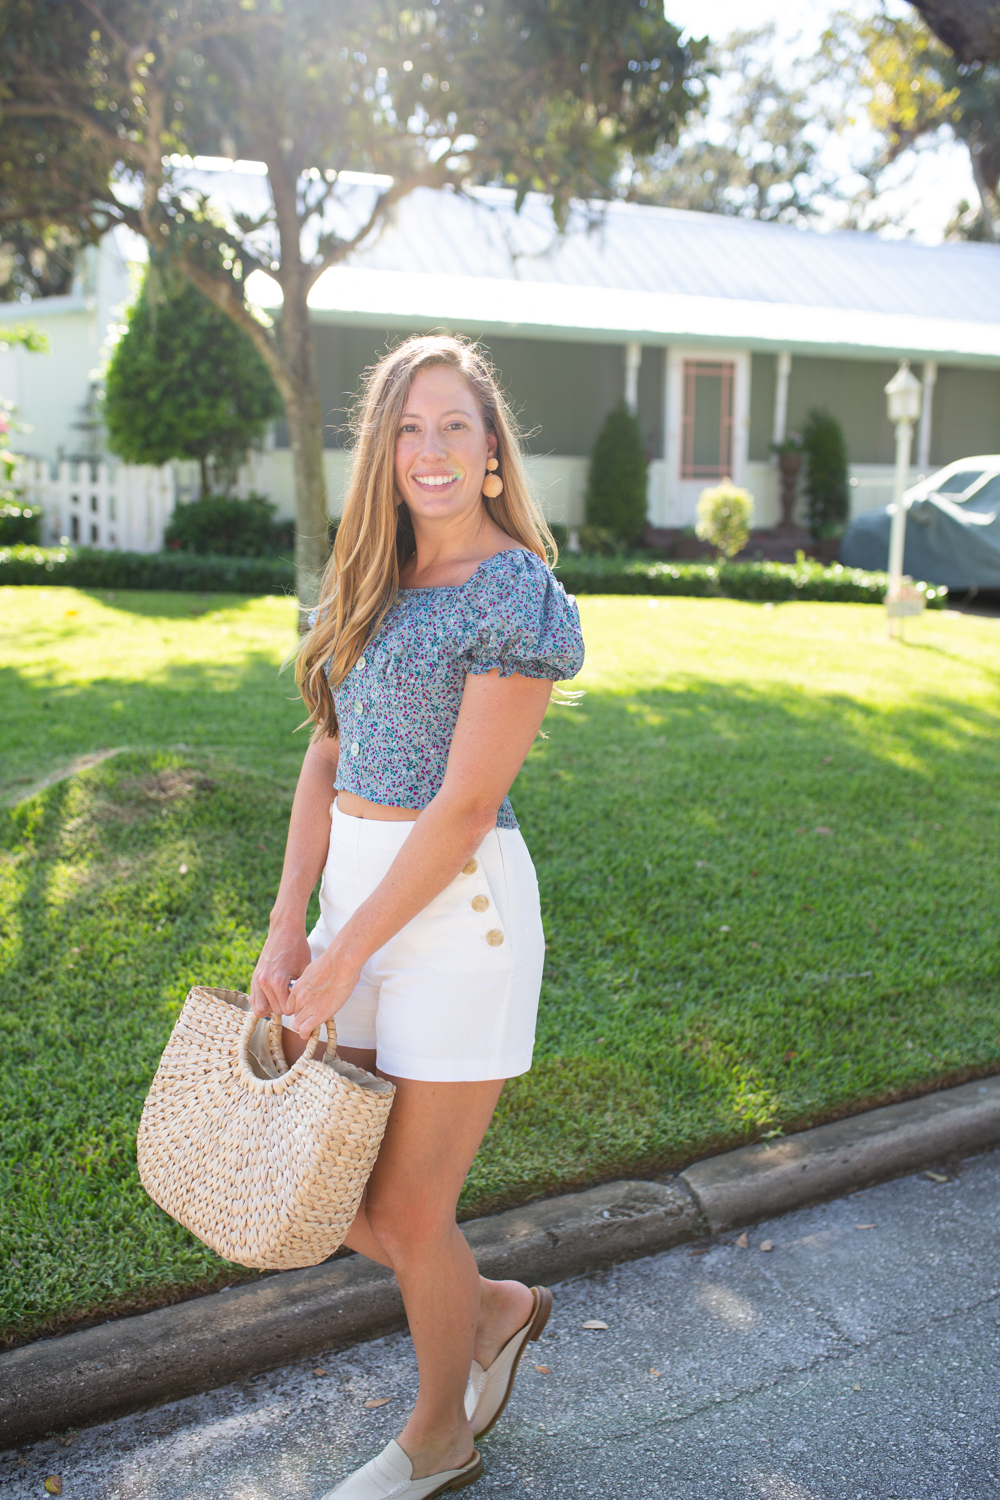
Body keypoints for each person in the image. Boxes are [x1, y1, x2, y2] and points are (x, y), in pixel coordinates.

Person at [250, 334, 585, 1500]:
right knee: (327, 1189)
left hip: (456, 925)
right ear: (383, 453)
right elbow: (326, 755)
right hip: (349, 911)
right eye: (407, 427)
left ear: (492, 453)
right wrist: (290, 923)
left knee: (403, 1204)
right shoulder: (367, 578)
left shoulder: (515, 592)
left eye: (455, 426)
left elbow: (465, 806)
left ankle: (439, 1435)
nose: (431, 449)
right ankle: (488, 1307)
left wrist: (343, 956)